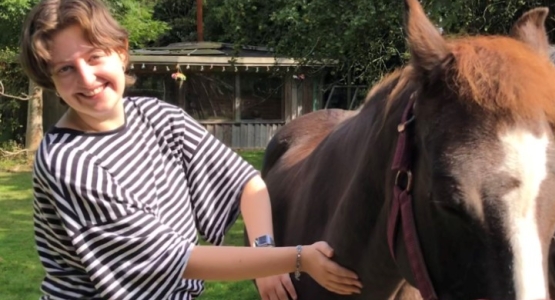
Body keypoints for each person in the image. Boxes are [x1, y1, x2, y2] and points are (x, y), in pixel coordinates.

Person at [19, 0, 363, 299]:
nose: (86, 78)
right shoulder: (67, 162)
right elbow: (173, 259)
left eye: (94, 57)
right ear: (50, 80)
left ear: (121, 52)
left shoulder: (160, 118)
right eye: (66, 69)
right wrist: (298, 258)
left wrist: (266, 254)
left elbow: (247, 182)